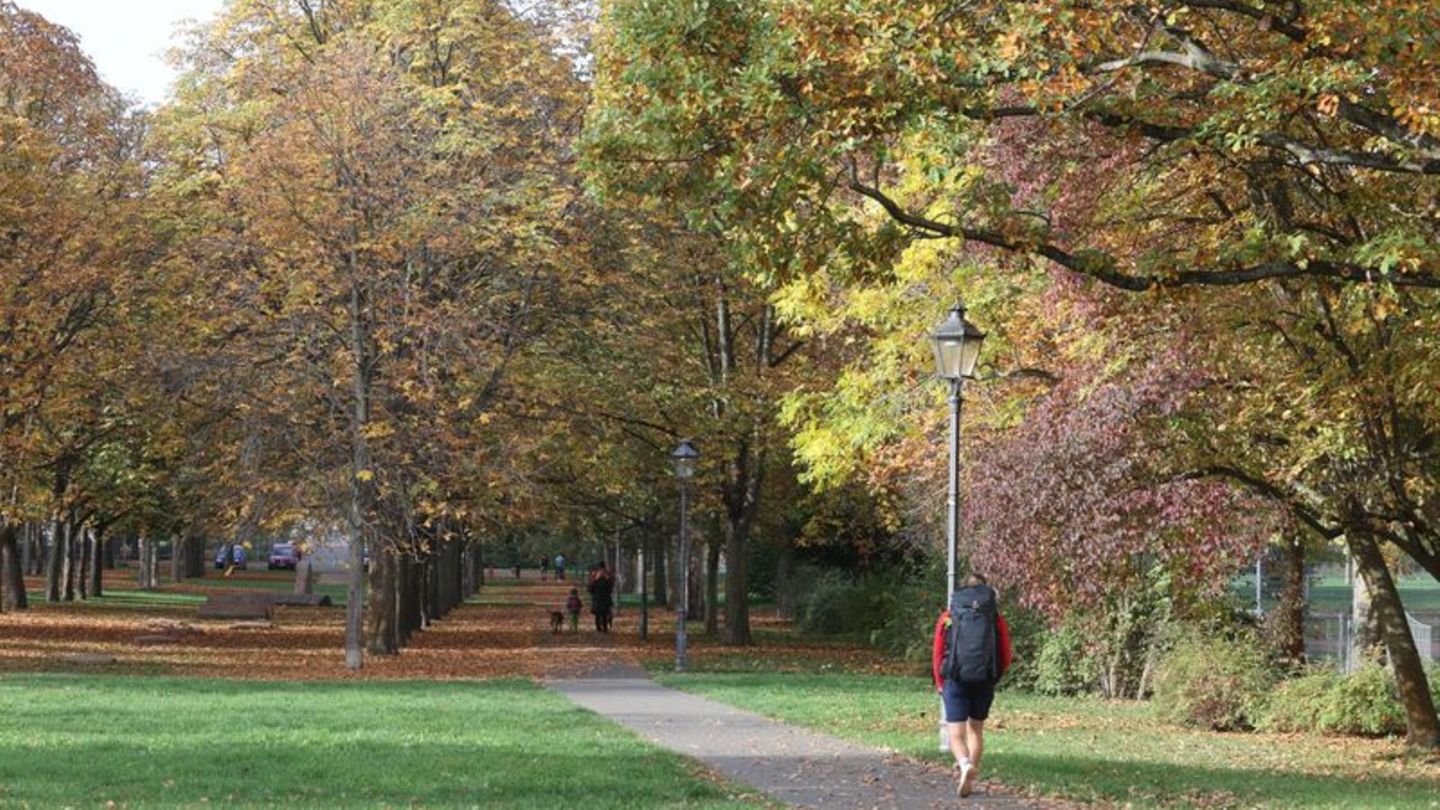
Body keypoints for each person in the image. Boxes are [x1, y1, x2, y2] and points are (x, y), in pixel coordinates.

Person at [932, 573, 1012, 798]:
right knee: (975, 730)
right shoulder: (996, 619)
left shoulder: (948, 617)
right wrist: (994, 677)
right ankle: (970, 775)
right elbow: (1005, 654)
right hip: (984, 680)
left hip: (955, 679)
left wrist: (940, 682)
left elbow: (938, 653)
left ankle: (965, 764)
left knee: (955, 734)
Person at [587, 561, 615, 633]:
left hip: (597, 597)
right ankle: (604, 628)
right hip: (605, 597)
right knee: (605, 613)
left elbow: (590, 588)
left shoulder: (594, 575)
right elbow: (611, 586)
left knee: (598, 614)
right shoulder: (608, 575)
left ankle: (598, 628)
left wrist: (595, 580)